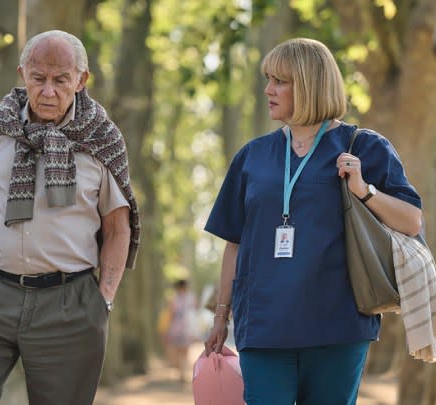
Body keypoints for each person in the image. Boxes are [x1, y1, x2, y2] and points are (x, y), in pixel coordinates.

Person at [203, 38, 422, 405]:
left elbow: (412, 221)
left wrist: (364, 189)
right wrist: (220, 317)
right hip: (263, 327)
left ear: (309, 85)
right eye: (268, 79)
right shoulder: (252, 157)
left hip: (339, 326)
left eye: (280, 81)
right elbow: (234, 243)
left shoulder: (365, 147)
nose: (267, 90)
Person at [0, 30, 140, 405]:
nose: (48, 91)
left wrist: (103, 301)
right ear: (22, 74)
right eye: (38, 78)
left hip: (68, 304)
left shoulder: (102, 139)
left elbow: (117, 227)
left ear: (82, 80)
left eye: (61, 80)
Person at [162, 279, 199, 383]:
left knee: (181, 351)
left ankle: (182, 372)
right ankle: (182, 372)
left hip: (178, 328)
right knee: (183, 351)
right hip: (185, 328)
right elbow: (195, 310)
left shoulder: (173, 299)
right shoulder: (191, 297)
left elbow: (171, 314)